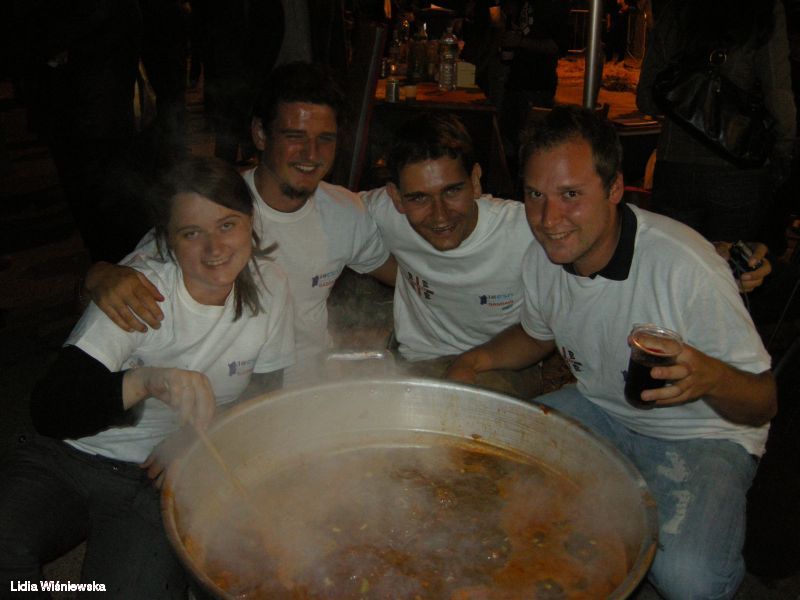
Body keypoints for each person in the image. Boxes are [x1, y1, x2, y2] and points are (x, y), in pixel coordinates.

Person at [447, 106, 777, 600]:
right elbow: (538, 333)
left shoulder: (683, 266)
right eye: (535, 194)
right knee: (489, 461)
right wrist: (475, 360)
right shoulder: (543, 257)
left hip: (702, 434)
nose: (548, 219)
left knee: (690, 580)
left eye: (571, 195)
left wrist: (710, 377)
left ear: (615, 188)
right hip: (603, 408)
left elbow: (763, 402)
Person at [0, 156, 294, 598]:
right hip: (70, 457)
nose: (214, 249)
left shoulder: (271, 287)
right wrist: (145, 381)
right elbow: (50, 410)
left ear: (251, 222)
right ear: (167, 241)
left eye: (227, 225)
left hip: (154, 479)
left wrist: (196, 443)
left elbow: (265, 394)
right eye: (191, 233)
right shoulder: (141, 291)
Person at [83, 62, 396, 385]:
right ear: (260, 134)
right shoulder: (218, 208)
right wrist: (100, 275)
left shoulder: (344, 212)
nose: (311, 153)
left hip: (314, 385)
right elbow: (127, 280)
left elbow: (406, 276)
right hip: (228, 392)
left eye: (325, 139)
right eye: (295, 136)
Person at [362, 113, 541, 398]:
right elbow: (323, 209)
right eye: (419, 197)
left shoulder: (527, 232)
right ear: (395, 197)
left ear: (475, 180)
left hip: (502, 365)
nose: (440, 215)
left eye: (452, 191)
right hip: (417, 359)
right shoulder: (380, 211)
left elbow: (546, 331)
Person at [636, 0, 796, 245]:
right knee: (728, 264)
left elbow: (647, 99)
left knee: (674, 262)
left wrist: (689, 97)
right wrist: (784, 149)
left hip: (676, 164)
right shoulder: (763, 7)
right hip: (737, 166)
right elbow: (778, 92)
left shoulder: (675, 7)